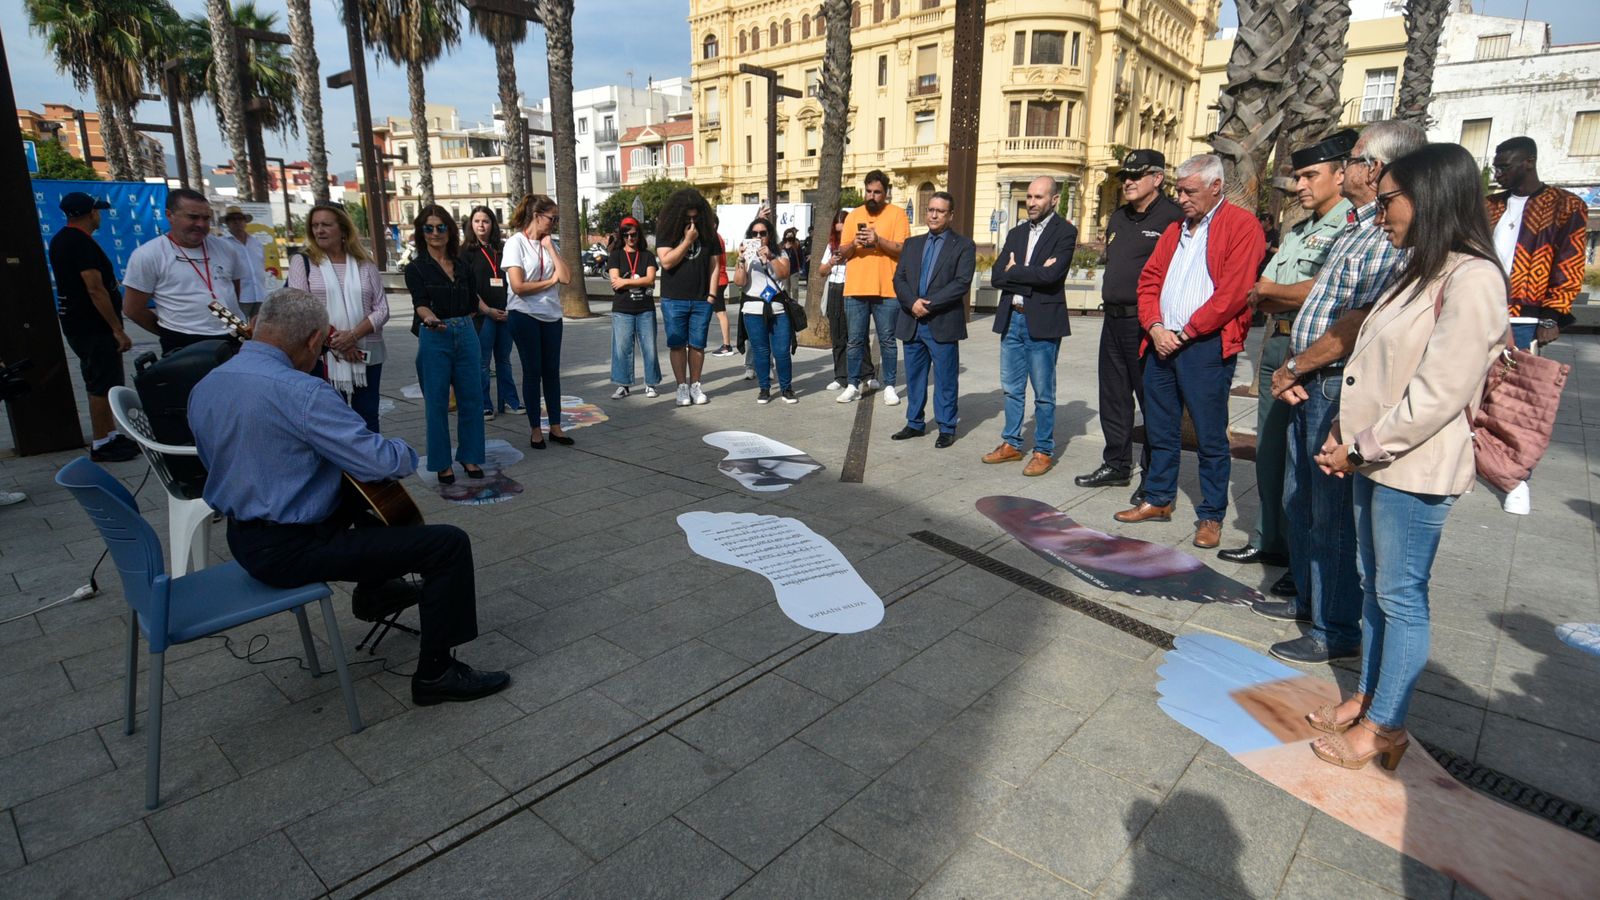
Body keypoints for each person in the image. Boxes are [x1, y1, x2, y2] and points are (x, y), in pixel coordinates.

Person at [189, 287, 510, 705]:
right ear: (312, 340)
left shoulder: (206, 384)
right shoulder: (302, 393)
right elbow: (381, 463)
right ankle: (436, 674)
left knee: (352, 491)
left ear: (258, 327)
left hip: (243, 537)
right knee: (447, 545)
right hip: (292, 549)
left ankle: (376, 591)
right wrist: (403, 450)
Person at [1303, 143, 1507, 769]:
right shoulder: (1421, 267)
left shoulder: (1473, 278)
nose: (1380, 211)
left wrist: (1359, 448)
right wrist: (1346, 436)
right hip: (1376, 458)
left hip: (1414, 466)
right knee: (1376, 589)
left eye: (1388, 199)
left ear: (1429, 198)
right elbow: (1375, 365)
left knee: (1401, 596)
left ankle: (1386, 725)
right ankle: (1369, 695)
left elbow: (1439, 393)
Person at [1264, 120, 1426, 665]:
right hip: (1311, 379)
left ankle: (1335, 628)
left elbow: (1358, 321)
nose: (1347, 167)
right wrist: (1296, 369)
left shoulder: (1389, 232)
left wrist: (1296, 366)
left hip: (1334, 382)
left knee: (1331, 513)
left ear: (1375, 168)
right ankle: (1310, 601)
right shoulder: (1358, 225)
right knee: (1303, 501)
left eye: (1353, 158)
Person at [1218, 130, 1356, 578]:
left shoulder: (1352, 228)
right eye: (1298, 177)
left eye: (1310, 175)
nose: (1300, 185)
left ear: (1341, 174)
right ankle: (1269, 540)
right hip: (1278, 341)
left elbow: (1324, 291)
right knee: (1272, 450)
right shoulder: (1299, 231)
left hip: (1317, 348)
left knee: (1309, 458)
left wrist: (1273, 292)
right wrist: (1274, 293)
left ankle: (1304, 562)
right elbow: (1262, 289)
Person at [1116, 154, 1265, 550]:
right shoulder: (1175, 230)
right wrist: (1155, 326)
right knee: (1160, 428)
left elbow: (1234, 292)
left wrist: (1186, 332)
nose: (1180, 198)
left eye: (1189, 191)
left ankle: (1211, 515)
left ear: (1216, 187)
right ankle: (1158, 498)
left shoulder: (1242, 226)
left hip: (1205, 347)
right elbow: (1149, 281)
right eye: (1178, 190)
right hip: (1161, 344)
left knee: (1209, 435)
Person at [1485, 136, 1588, 515]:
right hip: (1481, 308)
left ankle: (1516, 479)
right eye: (1496, 166)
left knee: (1519, 399)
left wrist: (1552, 314)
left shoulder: (1565, 205)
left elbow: (1570, 260)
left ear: (1528, 162)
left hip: (1526, 316)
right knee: (1471, 390)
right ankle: (1476, 460)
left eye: (1505, 166)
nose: (1498, 173)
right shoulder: (1489, 205)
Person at [1076, 150, 1183, 499]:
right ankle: (1117, 464)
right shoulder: (1119, 217)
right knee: (1113, 397)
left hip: (1147, 324)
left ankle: (1153, 477)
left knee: (1152, 401)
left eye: (1137, 175)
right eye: (1125, 177)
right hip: (1113, 319)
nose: (1128, 182)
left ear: (1158, 178)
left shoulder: (1173, 218)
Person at [985, 175, 1077, 476]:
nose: (1032, 202)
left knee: (1043, 392)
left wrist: (1016, 271)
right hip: (1012, 319)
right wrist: (1031, 274)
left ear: (1054, 200)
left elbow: (1052, 277)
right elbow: (997, 276)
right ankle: (1012, 443)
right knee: (1011, 389)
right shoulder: (1016, 233)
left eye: (1039, 197)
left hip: (1042, 322)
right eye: (1029, 196)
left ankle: (1043, 450)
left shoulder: (1065, 232)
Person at [48, 191, 139, 463]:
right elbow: (94, 288)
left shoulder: (62, 239)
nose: (99, 215)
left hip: (79, 323)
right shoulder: (79, 243)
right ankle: (101, 442)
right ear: (91, 213)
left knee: (102, 379)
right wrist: (116, 328)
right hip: (92, 326)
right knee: (102, 382)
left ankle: (109, 434)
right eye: (97, 211)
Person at [286, 203, 390, 434]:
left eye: (326, 225)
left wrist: (352, 336)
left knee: (368, 415)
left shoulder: (365, 263)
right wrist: (338, 340)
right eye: (315, 225)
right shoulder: (303, 262)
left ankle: (368, 457)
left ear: (343, 229)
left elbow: (382, 309)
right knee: (331, 417)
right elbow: (301, 309)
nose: (319, 230)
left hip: (367, 350)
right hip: (324, 354)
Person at [404, 205, 487, 482]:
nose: (435, 233)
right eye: (428, 228)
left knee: (472, 399)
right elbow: (420, 303)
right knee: (437, 402)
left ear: (450, 231)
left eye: (440, 227)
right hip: (434, 335)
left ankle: (470, 456)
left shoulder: (462, 265)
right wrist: (430, 318)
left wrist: (465, 321)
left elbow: (473, 302)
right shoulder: (416, 268)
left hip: (466, 332)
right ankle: (442, 463)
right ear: (421, 232)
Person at [890, 191, 974, 448]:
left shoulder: (963, 246)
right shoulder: (912, 244)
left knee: (946, 378)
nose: (934, 215)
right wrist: (912, 303)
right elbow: (899, 278)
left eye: (940, 211)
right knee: (915, 377)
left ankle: (946, 427)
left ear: (951, 215)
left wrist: (928, 305)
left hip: (942, 322)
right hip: (912, 322)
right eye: (931, 210)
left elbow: (961, 283)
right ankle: (914, 423)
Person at [122, 188, 244, 353]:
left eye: (206, 218)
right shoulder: (148, 254)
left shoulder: (226, 248)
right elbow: (133, 309)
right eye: (193, 217)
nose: (201, 224)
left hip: (234, 334)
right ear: (169, 215)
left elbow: (234, 291)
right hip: (184, 341)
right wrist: (169, 332)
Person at [503, 194, 574, 447]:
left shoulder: (548, 243)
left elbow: (566, 278)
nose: (554, 223)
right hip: (524, 315)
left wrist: (551, 248)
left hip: (551, 315)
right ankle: (535, 429)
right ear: (536, 216)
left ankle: (555, 426)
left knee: (552, 372)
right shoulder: (515, 243)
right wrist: (549, 282)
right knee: (533, 371)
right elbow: (518, 286)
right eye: (552, 218)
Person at [838, 170, 909, 405]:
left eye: (877, 192)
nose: (872, 196)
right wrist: (854, 243)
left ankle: (889, 385)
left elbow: (902, 249)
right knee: (854, 341)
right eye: (869, 191)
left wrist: (878, 240)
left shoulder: (897, 214)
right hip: (855, 289)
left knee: (887, 340)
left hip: (887, 289)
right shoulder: (853, 216)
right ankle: (852, 384)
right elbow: (842, 252)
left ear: (885, 193)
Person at [655, 189, 720, 406]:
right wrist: (687, 240)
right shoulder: (667, 232)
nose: (692, 222)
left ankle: (695, 385)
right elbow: (666, 262)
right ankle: (682, 387)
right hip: (674, 298)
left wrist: (712, 295)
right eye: (687, 218)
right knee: (677, 345)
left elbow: (715, 265)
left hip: (702, 299)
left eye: (696, 218)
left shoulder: (708, 233)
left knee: (698, 345)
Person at [461, 206, 521, 420]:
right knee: (483, 362)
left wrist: (510, 308)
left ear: (492, 224)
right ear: (471, 225)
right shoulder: (465, 252)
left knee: (504, 360)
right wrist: (486, 310)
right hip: (482, 315)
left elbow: (513, 279)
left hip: (505, 313)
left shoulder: (502, 249)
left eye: (485, 221)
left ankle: (510, 400)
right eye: (477, 221)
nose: (481, 225)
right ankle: (484, 404)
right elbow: (466, 286)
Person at [734, 217, 797, 404]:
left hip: (778, 309)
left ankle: (786, 388)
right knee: (760, 351)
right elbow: (739, 282)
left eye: (763, 233)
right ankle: (764, 388)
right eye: (755, 233)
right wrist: (741, 259)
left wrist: (770, 257)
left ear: (769, 234)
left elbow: (784, 274)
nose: (759, 236)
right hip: (753, 309)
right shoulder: (747, 256)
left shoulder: (780, 253)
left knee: (782, 351)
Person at [819, 209, 875, 390]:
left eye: (843, 231)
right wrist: (831, 262)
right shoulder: (831, 246)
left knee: (859, 334)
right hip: (836, 288)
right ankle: (841, 376)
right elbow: (821, 271)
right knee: (838, 336)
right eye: (837, 232)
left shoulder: (859, 245)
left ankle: (867, 374)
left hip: (855, 288)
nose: (840, 235)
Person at [607, 216, 661, 399]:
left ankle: (651, 384)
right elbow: (615, 282)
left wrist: (626, 282)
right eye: (626, 235)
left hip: (645, 310)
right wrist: (638, 281)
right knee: (622, 349)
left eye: (634, 234)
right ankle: (623, 385)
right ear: (621, 236)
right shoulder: (616, 255)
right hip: (622, 310)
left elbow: (651, 280)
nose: (630, 238)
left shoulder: (647, 256)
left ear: (639, 235)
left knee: (649, 348)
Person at [222, 206, 268, 320]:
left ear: (245, 222)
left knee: (258, 326)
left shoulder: (256, 243)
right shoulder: (222, 244)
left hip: (259, 293)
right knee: (238, 326)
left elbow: (261, 265)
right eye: (232, 219)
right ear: (227, 223)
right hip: (239, 296)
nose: (237, 222)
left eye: (240, 218)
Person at [711, 232, 735, 357]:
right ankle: (727, 345)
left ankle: (727, 346)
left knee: (721, 313)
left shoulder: (713, 237)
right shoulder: (717, 236)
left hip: (717, 280)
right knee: (719, 313)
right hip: (719, 279)